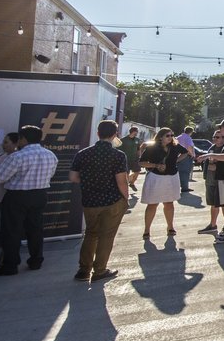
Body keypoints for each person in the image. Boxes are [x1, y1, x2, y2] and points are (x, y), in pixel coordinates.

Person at [0, 126, 59, 276]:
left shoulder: (17, 156)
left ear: (24, 139)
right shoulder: (50, 155)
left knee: (12, 231)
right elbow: (51, 174)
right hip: (40, 194)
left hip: (17, 196)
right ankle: (36, 261)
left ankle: (10, 265)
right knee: (35, 229)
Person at [70, 120, 129, 282]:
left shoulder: (83, 154)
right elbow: (121, 181)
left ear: (98, 133)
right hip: (112, 200)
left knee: (91, 233)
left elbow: (73, 177)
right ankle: (100, 270)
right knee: (107, 236)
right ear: (115, 134)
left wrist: (90, 179)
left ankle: (83, 270)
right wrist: (126, 197)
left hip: (90, 201)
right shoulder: (118, 155)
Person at [139, 127, 189, 239]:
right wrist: (155, 165)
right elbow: (142, 162)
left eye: (172, 135)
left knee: (169, 203)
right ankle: (147, 230)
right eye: (168, 135)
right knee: (152, 204)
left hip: (171, 177)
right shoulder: (152, 147)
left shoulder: (175, 146)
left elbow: (185, 153)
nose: (170, 138)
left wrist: (175, 161)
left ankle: (170, 227)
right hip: (155, 177)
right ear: (161, 137)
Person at [0, 133, 19, 267]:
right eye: (3, 142)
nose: (3, 145)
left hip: (9, 197)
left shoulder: (18, 159)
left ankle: (6, 255)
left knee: (9, 228)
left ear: (15, 143)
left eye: (6, 142)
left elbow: (1, 177)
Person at [197, 130, 224, 234]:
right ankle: (213, 225)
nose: (215, 139)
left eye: (217, 137)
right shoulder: (212, 148)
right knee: (213, 204)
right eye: (214, 137)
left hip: (221, 180)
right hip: (210, 180)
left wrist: (217, 167)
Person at [118, 126, 143, 192]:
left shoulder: (137, 140)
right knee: (127, 174)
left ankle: (132, 183)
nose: (137, 133)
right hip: (126, 160)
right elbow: (118, 150)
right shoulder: (123, 140)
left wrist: (140, 156)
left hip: (135, 159)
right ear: (132, 132)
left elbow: (138, 149)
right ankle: (125, 188)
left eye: (137, 132)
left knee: (137, 172)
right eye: (136, 132)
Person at [175, 126, 198, 192]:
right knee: (185, 172)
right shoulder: (188, 138)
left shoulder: (178, 137)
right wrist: (191, 154)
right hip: (186, 156)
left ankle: (178, 186)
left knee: (179, 172)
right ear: (190, 132)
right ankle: (185, 187)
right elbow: (189, 146)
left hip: (178, 156)